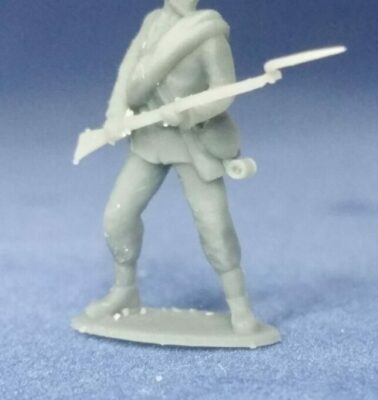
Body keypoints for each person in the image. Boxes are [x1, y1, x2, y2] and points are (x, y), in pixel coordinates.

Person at [84, 0, 261, 334]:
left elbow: (224, 91)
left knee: (214, 225)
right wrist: (114, 117)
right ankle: (124, 291)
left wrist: (188, 113)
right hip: (149, 140)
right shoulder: (152, 21)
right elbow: (127, 73)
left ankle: (239, 306)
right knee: (117, 217)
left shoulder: (208, 33)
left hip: (193, 143)